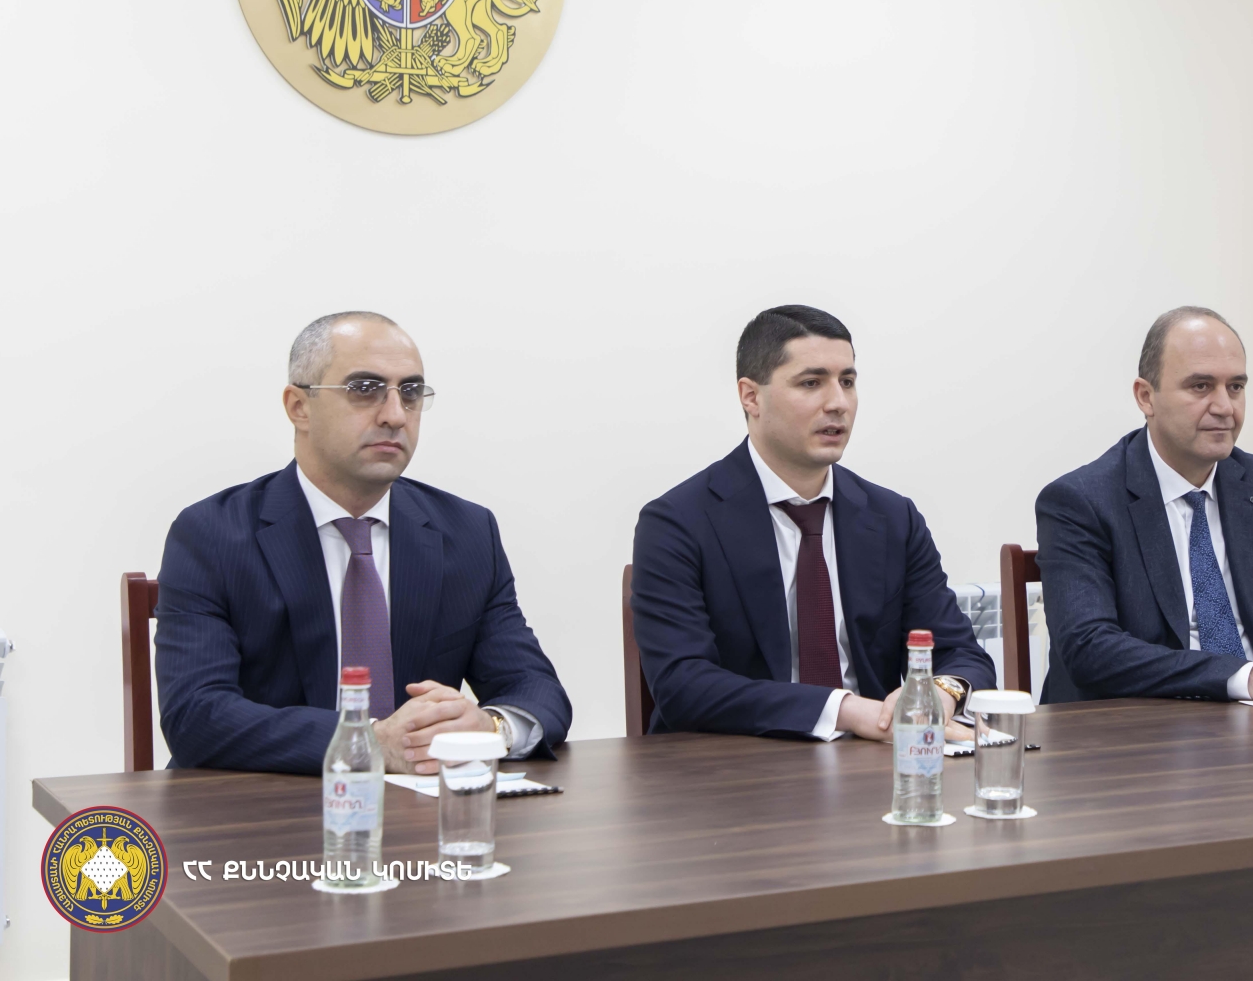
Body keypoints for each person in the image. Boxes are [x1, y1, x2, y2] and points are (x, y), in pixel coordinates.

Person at [156, 312, 571, 775]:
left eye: (410, 392)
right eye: (365, 389)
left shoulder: (467, 532)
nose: (395, 415)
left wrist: (491, 728)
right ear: (299, 406)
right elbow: (195, 715)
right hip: (266, 804)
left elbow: (536, 690)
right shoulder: (212, 534)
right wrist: (368, 743)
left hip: (419, 807)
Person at [631, 305, 995, 739]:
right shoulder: (677, 522)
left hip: (872, 759)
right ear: (751, 397)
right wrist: (845, 710)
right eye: (811, 383)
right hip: (735, 762)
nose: (837, 403)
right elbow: (683, 685)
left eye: (847, 382)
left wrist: (940, 691)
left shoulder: (893, 518)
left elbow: (960, 653)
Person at [1037, 307, 1253, 705]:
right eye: (1201, 386)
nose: (1225, 407)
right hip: (1134, 728)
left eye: (1236, 387)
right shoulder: (1080, 501)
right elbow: (1090, 649)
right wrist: (1248, 677)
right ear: (1146, 397)